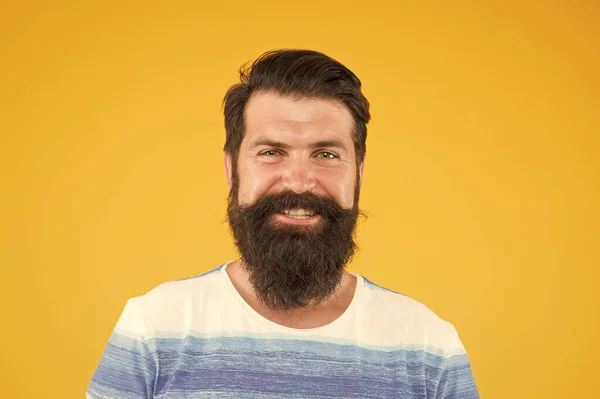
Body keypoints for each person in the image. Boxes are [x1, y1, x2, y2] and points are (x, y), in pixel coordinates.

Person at [87, 49, 480, 398]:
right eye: (272, 151)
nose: (299, 181)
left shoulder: (429, 346)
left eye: (326, 154)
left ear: (358, 172)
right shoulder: (154, 329)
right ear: (231, 169)